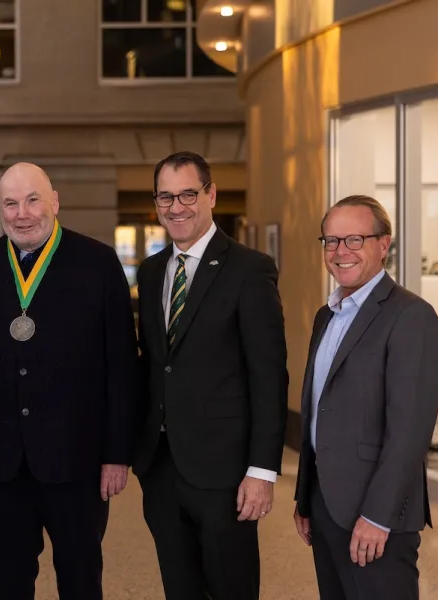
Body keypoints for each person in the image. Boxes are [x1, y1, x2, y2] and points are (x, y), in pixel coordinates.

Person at [0, 162, 138, 600]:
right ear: (0, 209)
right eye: (10, 203)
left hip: (79, 460)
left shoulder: (98, 262)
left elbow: (122, 365)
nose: (22, 213)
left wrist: (116, 454)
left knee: (80, 578)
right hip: (3, 461)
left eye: (33, 200)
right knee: (9, 580)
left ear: (54, 201)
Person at [133, 151, 289, 600]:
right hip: (161, 467)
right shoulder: (151, 271)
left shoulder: (249, 268)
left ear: (211, 194)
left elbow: (268, 375)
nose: (176, 206)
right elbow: (155, 365)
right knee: (179, 587)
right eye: (166, 196)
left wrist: (262, 471)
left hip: (226, 473)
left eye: (187, 194)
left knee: (230, 588)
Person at [293, 195, 438, 600]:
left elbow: (409, 431)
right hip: (326, 504)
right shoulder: (327, 316)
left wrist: (378, 516)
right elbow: (317, 410)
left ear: (384, 244)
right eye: (331, 241)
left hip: (376, 513)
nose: (341, 252)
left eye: (354, 239)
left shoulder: (410, 316)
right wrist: (305, 497)